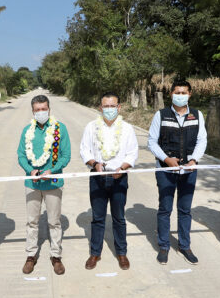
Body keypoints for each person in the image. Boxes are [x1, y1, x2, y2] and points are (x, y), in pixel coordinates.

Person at [147, 77, 207, 265]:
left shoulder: (197, 115)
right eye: (177, 93)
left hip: (189, 171)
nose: (180, 96)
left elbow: (202, 140)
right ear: (171, 94)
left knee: (185, 209)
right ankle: (164, 246)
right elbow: (152, 141)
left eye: (184, 93)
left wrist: (194, 160)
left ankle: (184, 245)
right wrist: (166, 159)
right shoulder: (161, 115)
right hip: (165, 170)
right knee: (165, 209)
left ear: (189, 94)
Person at [80, 92, 138, 270]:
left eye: (113, 106)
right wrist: (94, 163)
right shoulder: (91, 127)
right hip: (98, 178)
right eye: (106, 106)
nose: (109, 109)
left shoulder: (127, 128)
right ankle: (95, 253)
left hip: (119, 178)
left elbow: (132, 153)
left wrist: (124, 167)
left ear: (119, 107)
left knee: (119, 217)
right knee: (98, 218)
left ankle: (121, 253)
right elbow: (85, 150)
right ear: (100, 108)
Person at [17, 94, 71, 275]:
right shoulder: (27, 130)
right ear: (33, 111)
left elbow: (66, 155)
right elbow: (22, 155)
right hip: (32, 183)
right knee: (32, 221)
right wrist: (30, 170)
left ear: (49, 109)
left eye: (44, 109)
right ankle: (31, 255)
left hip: (53, 181)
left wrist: (53, 170)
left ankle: (56, 256)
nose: (41, 112)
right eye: (37, 110)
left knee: (54, 221)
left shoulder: (59, 129)